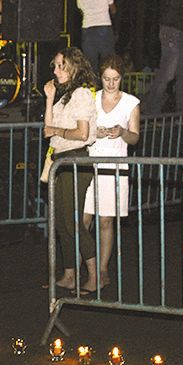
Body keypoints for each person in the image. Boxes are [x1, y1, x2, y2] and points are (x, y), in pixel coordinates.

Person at [74, 56, 141, 294]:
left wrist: (122, 132)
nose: (111, 84)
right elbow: (82, 128)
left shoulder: (131, 103)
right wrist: (96, 131)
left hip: (115, 166)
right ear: (100, 78)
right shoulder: (91, 99)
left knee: (106, 221)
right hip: (90, 164)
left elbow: (135, 137)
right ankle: (78, 269)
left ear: (122, 78)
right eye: (106, 79)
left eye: (115, 79)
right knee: (83, 219)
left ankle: (102, 271)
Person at [41, 47, 97, 292]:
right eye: (54, 66)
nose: (55, 70)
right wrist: (49, 98)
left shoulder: (82, 94)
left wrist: (58, 132)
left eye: (60, 65)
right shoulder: (65, 96)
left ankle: (95, 276)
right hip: (60, 161)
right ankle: (70, 274)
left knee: (73, 222)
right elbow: (47, 129)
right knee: (62, 222)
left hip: (76, 161)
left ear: (73, 67)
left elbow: (82, 134)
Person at [76, 0, 116, 67]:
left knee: (90, 61)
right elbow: (113, 10)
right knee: (107, 61)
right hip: (104, 26)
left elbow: (81, 12)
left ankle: (92, 80)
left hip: (88, 28)